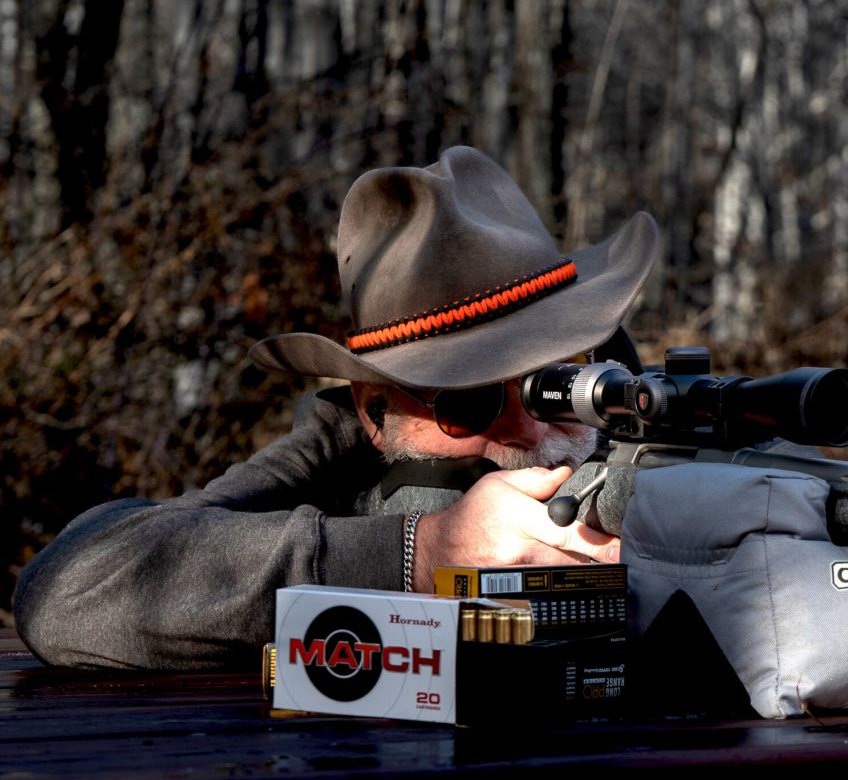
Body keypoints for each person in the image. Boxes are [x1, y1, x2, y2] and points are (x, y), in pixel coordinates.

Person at [14, 147, 659, 669]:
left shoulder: (638, 421)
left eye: (553, 384)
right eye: (470, 402)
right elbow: (68, 592)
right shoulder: (337, 459)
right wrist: (420, 553)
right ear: (378, 415)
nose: (525, 429)